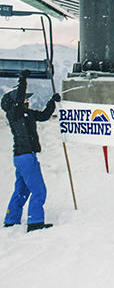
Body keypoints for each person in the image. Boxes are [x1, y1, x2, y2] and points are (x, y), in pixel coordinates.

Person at [1, 69, 61, 232]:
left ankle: (11, 219)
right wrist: (22, 80)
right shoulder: (15, 114)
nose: (27, 100)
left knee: (22, 189)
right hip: (26, 157)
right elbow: (19, 99)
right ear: (16, 102)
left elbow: (44, 116)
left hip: (22, 157)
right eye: (25, 98)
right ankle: (35, 222)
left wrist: (52, 102)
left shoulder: (26, 114)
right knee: (39, 190)